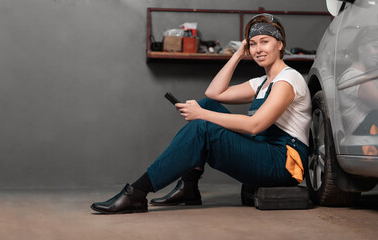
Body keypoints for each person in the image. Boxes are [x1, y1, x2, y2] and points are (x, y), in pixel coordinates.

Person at [91, 14, 312, 214]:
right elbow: (214, 93)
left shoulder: (288, 79)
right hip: (266, 152)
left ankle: (138, 192)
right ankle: (188, 186)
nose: (258, 49)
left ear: (280, 44)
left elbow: (255, 125)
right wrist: (237, 54)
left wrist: (201, 115)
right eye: (253, 44)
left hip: (284, 163)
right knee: (207, 104)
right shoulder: (262, 82)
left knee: (203, 123)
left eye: (265, 42)